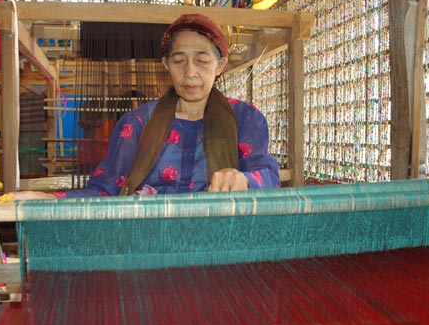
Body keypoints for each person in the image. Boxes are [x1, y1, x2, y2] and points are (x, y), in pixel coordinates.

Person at [49, 13, 280, 198]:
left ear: (220, 66)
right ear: (166, 65)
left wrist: (243, 179)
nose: (190, 73)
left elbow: (269, 177)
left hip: (219, 243)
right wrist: (52, 199)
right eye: (179, 61)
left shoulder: (244, 119)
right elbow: (106, 189)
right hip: (149, 243)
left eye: (201, 61)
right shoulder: (137, 124)